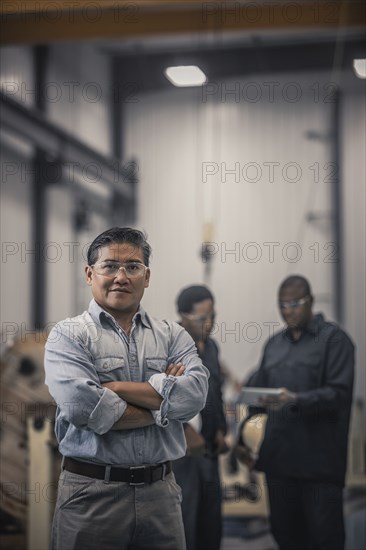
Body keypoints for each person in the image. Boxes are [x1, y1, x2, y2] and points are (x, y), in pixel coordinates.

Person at [44, 227, 209, 550]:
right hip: (91, 496)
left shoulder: (172, 336)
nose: (121, 276)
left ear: (146, 277)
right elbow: (82, 407)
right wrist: (163, 403)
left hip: (161, 494)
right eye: (110, 266)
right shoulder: (69, 336)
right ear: (90, 274)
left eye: (133, 267)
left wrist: (115, 388)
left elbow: (194, 397)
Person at [240, 275, 355, 550]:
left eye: (294, 303)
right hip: (279, 465)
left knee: (324, 540)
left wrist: (295, 400)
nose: (287, 310)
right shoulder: (274, 345)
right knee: (285, 537)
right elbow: (256, 394)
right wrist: (244, 437)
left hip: (319, 467)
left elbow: (338, 395)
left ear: (311, 302)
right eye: (282, 305)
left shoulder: (335, 341)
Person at [173, 285, 228, 550]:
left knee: (211, 522)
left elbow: (215, 393)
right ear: (182, 317)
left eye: (212, 316)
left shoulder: (212, 348)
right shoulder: (169, 346)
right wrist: (183, 429)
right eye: (201, 318)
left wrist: (220, 429)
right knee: (186, 521)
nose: (209, 323)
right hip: (181, 453)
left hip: (208, 450)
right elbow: (159, 397)